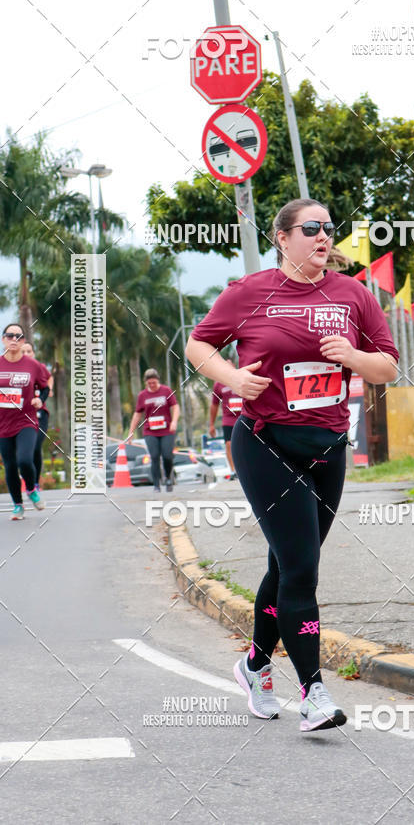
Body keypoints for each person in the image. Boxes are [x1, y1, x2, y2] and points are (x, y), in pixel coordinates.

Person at [186, 199, 398, 732]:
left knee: (286, 565)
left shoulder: (353, 295)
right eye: (311, 229)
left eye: (329, 228)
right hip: (264, 442)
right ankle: (315, 693)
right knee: (302, 568)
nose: (323, 237)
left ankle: (255, 666)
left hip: (327, 446)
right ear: (282, 237)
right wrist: (233, 379)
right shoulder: (249, 293)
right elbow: (198, 344)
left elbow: (388, 367)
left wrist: (353, 358)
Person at [0, 324, 49, 519]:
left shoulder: (32, 365)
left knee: (24, 460)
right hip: (2, 424)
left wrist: (40, 399)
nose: (13, 339)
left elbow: (44, 387)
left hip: (26, 421)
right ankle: (18, 505)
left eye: (18, 337)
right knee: (10, 465)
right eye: (9, 336)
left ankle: (31, 489)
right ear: (3, 339)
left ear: (23, 341)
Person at [127, 369, 180, 492]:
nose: (152, 385)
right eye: (149, 383)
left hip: (167, 430)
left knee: (167, 456)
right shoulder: (142, 395)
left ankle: (168, 478)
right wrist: (131, 432)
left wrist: (174, 421)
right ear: (146, 383)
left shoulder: (166, 391)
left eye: (154, 383)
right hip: (150, 431)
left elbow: (175, 407)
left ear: (158, 381)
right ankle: (156, 484)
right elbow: (137, 415)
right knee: (154, 456)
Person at [22, 341, 53, 489]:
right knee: (24, 451)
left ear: (33, 353)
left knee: (35, 447)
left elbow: (49, 378)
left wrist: (47, 392)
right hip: (21, 416)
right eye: (23, 352)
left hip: (40, 415)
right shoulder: (15, 370)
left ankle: (35, 482)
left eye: (29, 351)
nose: (26, 354)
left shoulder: (39, 367)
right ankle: (28, 478)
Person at [208, 381, 242, 478]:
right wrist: (211, 424)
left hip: (244, 416)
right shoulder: (218, 384)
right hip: (228, 419)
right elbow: (214, 405)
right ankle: (233, 471)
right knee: (229, 444)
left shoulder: (240, 375)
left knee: (245, 444)